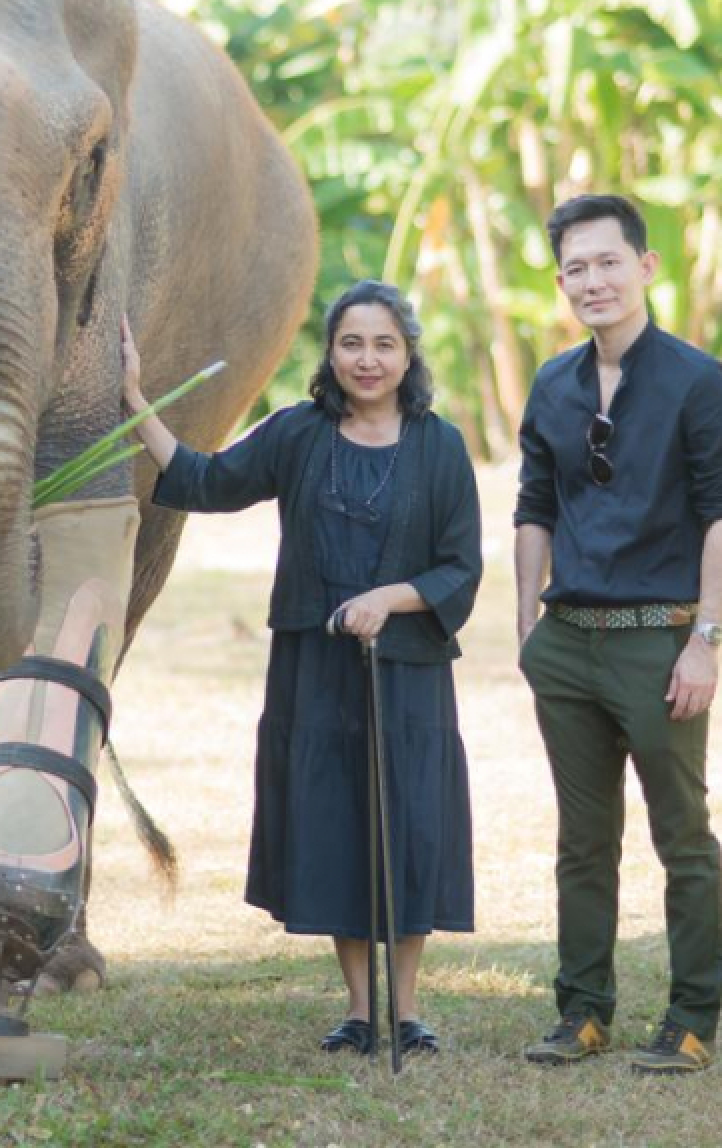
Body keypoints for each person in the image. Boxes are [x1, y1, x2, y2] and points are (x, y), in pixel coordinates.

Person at [122, 281, 481, 1056]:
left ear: (407, 354)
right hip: (314, 669)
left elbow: (460, 567)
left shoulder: (441, 446)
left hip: (408, 669)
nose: (367, 359)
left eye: (384, 344)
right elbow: (205, 481)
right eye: (352, 343)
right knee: (336, 822)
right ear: (331, 353)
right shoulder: (298, 433)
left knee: (408, 825)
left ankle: (405, 1010)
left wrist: (388, 598)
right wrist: (136, 401)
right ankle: (359, 1008)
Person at [514, 194, 722, 1075]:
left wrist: (705, 640)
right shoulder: (553, 384)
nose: (594, 282)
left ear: (646, 267)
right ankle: (583, 1012)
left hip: (661, 643)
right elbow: (534, 508)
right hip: (568, 642)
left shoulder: (697, 381)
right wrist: (526, 626)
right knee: (582, 842)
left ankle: (690, 1021)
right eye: (576, 268)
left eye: (609, 262)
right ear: (561, 282)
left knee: (681, 837)